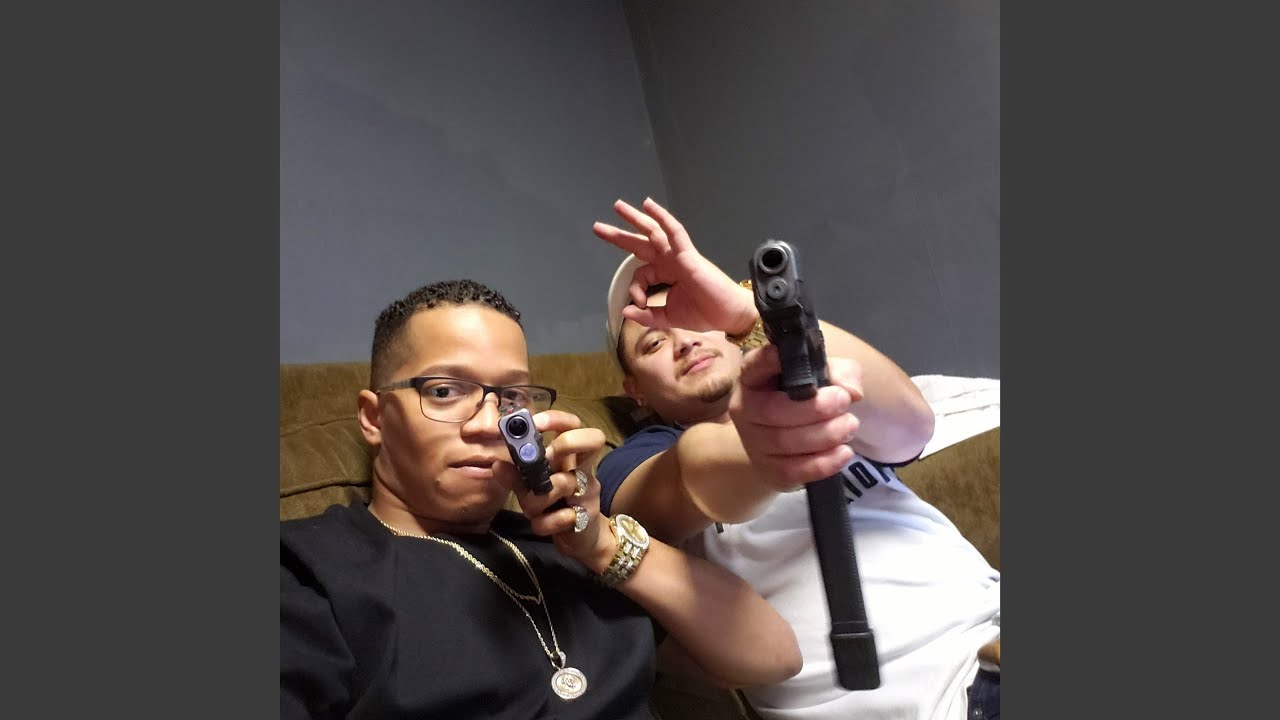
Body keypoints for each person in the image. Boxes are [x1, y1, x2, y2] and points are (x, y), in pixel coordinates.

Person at [280, 279, 803, 720]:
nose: (491, 424)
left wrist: (602, 544)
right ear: (374, 418)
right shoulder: (305, 571)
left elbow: (773, 657)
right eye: (445, 391)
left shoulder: (565, 546)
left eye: (511, 397)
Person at [591, 198, 1002, 720]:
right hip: (946, 703)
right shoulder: (633, 460)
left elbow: (911, 426)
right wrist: (763, 451)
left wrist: (751, 316)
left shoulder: (806, 383)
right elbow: (684, 480)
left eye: (695, 317)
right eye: (653, 343)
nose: (685, 342)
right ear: (635, 391)